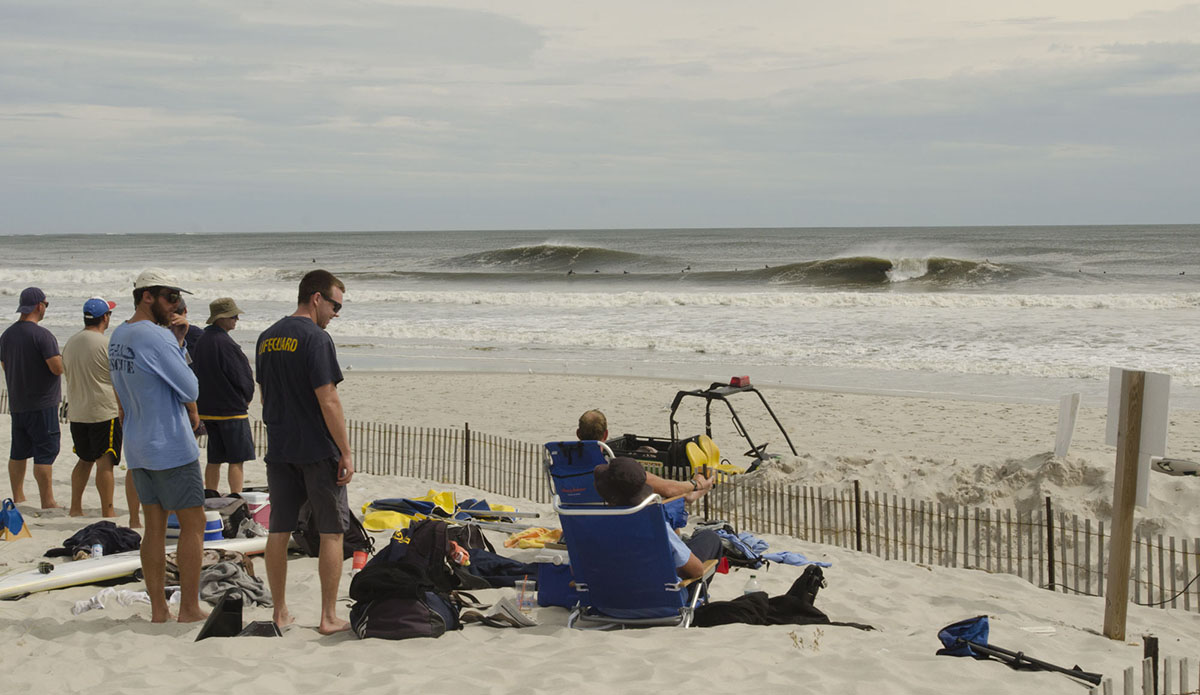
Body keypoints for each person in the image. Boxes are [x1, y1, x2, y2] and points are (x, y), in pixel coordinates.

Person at [256, 269, 353, 634]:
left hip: (280, 448)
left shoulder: (266, 338)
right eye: (335, 305)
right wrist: (345, 451)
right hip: (316, 448)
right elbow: (328, 398)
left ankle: (279, 611)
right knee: (331, 531)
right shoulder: (315, 338)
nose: (336, 314)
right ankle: (328, 616)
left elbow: (264, 395)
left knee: (279, 530)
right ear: (316, 298)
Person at [108, 269, 208, 624]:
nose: (176, 304)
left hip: (137, 443)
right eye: (170, 296)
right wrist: (177, 346)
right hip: (169, 445)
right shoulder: (155, 337)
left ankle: (158, 610)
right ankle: (190, 608)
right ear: (147, 296)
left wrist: (177, 342)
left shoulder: (119, 334)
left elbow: (126, 391)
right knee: (193, 523)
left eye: (178, 297)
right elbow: (191, 389)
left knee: (153, 528)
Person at [62, 297, 138, 524]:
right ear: (105, 317)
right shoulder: (107, 345)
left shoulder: (71, 342)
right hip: (104, 410)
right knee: (105, 462)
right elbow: (119, 380)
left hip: (77, 411)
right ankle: (108, 510)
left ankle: (76, 507)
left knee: (84, 459)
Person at [593, 456, 723, 579]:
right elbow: (697, 570)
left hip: (606, 596)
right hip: (660, 595)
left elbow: (574, 571)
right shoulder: (653, 524)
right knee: (709, 537)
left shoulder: (588, 526)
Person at [1, 287, 63, 509]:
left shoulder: (7, 335)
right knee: (45, 452)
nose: (45, 308)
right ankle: (47, 501)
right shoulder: (42, 335)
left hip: (18, 402)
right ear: (39, 306)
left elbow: (4, 365)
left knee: (18, 451)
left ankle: (18, 497)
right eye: (45, 304)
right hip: (42, 402)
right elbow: (56, 368)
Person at [577, 409, 714, 502]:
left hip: (581, 527)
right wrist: (696, 483)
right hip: (619, 523)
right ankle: (700, 488)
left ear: (578, 434)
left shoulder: (565, 467)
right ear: (606, 434)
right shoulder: (615, 470)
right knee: (670, 498)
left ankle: (695, 491)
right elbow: (670, 489)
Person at [194, 297, 255, 494]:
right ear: (222, 318)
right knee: (236, 460)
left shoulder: (202, 340)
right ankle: (236, 497)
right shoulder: (225, 344)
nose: (236, 319)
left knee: (214, 458)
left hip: (208, 410)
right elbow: (242, 376)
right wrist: (246, 396)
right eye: (233, 316)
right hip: (231, 410)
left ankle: (210, 494)